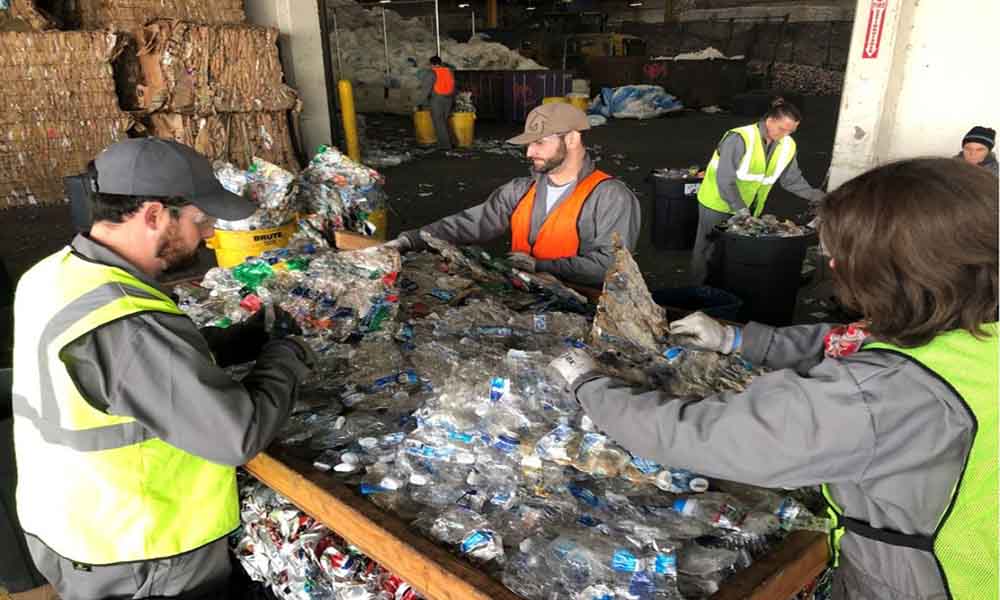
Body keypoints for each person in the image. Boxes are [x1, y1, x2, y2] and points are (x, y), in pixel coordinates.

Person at [550, 157, 998, 600]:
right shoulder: (974, 330)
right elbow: (852, 340)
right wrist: (737, 339)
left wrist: (591, 386)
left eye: (843, 258)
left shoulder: (882, 397)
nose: (833, 269)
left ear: (896, 272)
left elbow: (702, 436)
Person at [11, 138, 316, 600]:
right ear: (154, 215)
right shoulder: (126, 321)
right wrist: (287, 353)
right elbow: (237, 434)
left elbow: (123, 372)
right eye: (200, 220)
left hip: (71, 522)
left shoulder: (55, 273)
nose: (208, 235)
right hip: (140, 549)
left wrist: (240, 340)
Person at [387, 103, 641, 288]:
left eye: (539, 142)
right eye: (529, 143)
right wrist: (411, 240)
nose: (529, 152)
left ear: (572, 139)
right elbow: (470, 223)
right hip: (527, 295)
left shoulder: (610, 197)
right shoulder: (521, 189)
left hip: (584, 308)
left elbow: (610, 267)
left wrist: (540, 266)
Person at [691, 98, 824, 285]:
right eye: (782, 129)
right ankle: (700, 291)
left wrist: (819, 197)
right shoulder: (739, 138)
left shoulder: (787, 145)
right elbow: (725, 179)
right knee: (709, 250)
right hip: (717, 203)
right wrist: (741, 210)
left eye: (791, 131)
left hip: (749, 208)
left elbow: (791, 180)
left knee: (735, 251)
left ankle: (725, 292)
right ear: (769, 121)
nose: (785, 135)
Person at [417, 55, 456, 150]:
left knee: (439, 123)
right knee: (444, 122)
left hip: (437, 100)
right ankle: (451, 142)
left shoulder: (431, 73)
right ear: (440, 63)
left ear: (432, 64)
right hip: (449, 99)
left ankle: (445, 145)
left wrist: (419, 103)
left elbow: (426, 90)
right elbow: (453, 85)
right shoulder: (449, 71)